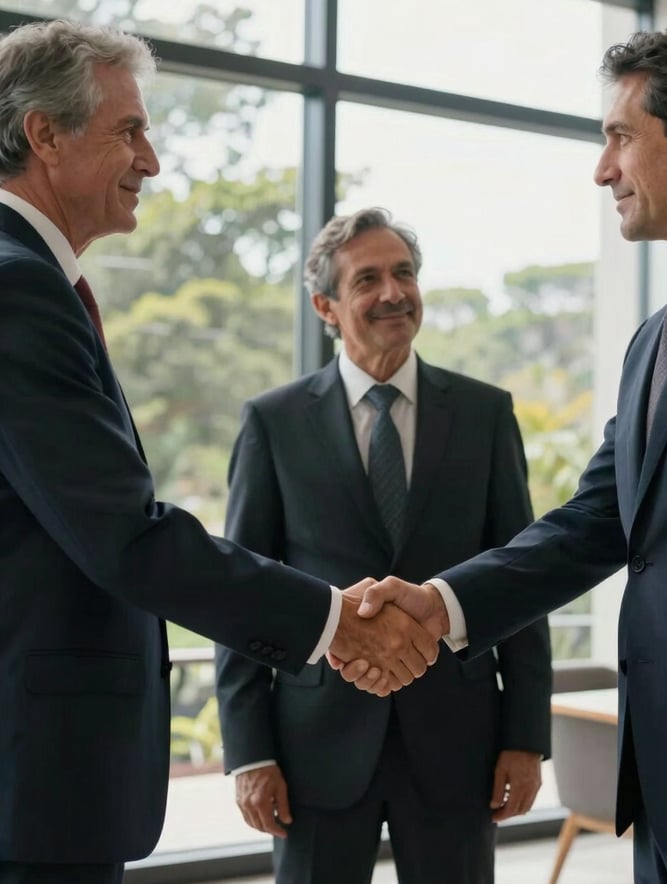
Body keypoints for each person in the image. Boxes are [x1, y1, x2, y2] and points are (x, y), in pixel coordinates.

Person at [0, 21, 436, 884]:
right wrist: (333, 620)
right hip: (34, 776)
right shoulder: (18, 285)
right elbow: (121, 532)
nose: (152, 160)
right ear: (43, 134)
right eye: (129, 130)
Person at [346, 20, 667, 884]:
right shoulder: (657, 334)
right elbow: (597, 523)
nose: (602, 168)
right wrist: (440, 604)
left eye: (620, 136)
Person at [214, 207, 552, 884]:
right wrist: (250, 753)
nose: (393, 292)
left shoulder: (486, 414)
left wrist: (525, 739)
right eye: (367, 279)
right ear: (326, 306)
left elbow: (522, 579)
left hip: (459, 742)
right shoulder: (272, 422)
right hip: (315, 744)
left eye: (404, 273)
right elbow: (241, 595)